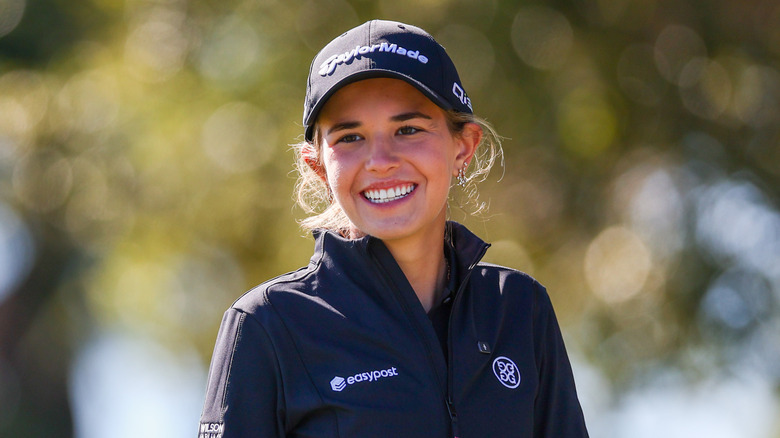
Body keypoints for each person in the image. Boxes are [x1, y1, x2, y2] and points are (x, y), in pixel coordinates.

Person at [198, 19, 588, 438]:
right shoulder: (266, 324)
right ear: (318, 168)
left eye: (408, 130)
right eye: (350, 137)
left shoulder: (518, 309)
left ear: (463, 146)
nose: (380, 160)